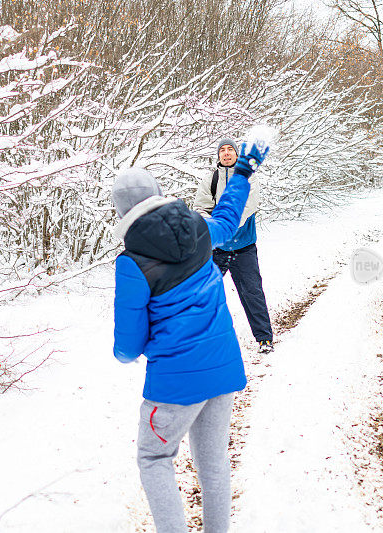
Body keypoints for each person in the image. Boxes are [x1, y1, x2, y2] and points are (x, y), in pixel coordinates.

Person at [112, 140, 269, 533]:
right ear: (158, 196)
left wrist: (145, 344)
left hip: (175, 384)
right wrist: (244, 172)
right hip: (223, 368)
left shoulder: (132, 263)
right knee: (213, 464)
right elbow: (229, 216)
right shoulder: (199, 228)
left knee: (154, 459)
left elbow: (127, 349)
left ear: (121, 211)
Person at [194, 138, 274, 354]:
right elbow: (201, 207)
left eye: (230, 150)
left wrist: (224, 226)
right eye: (222, 150)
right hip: (216, 250)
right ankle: (201, 341)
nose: (226, 153)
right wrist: (209, 226)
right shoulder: (210, 179)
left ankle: (264, 338)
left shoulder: (249, 178)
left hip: (244, 248)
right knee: (204, 293)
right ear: (218, 155)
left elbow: (247, 207)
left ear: (237, 155)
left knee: (252, 293)